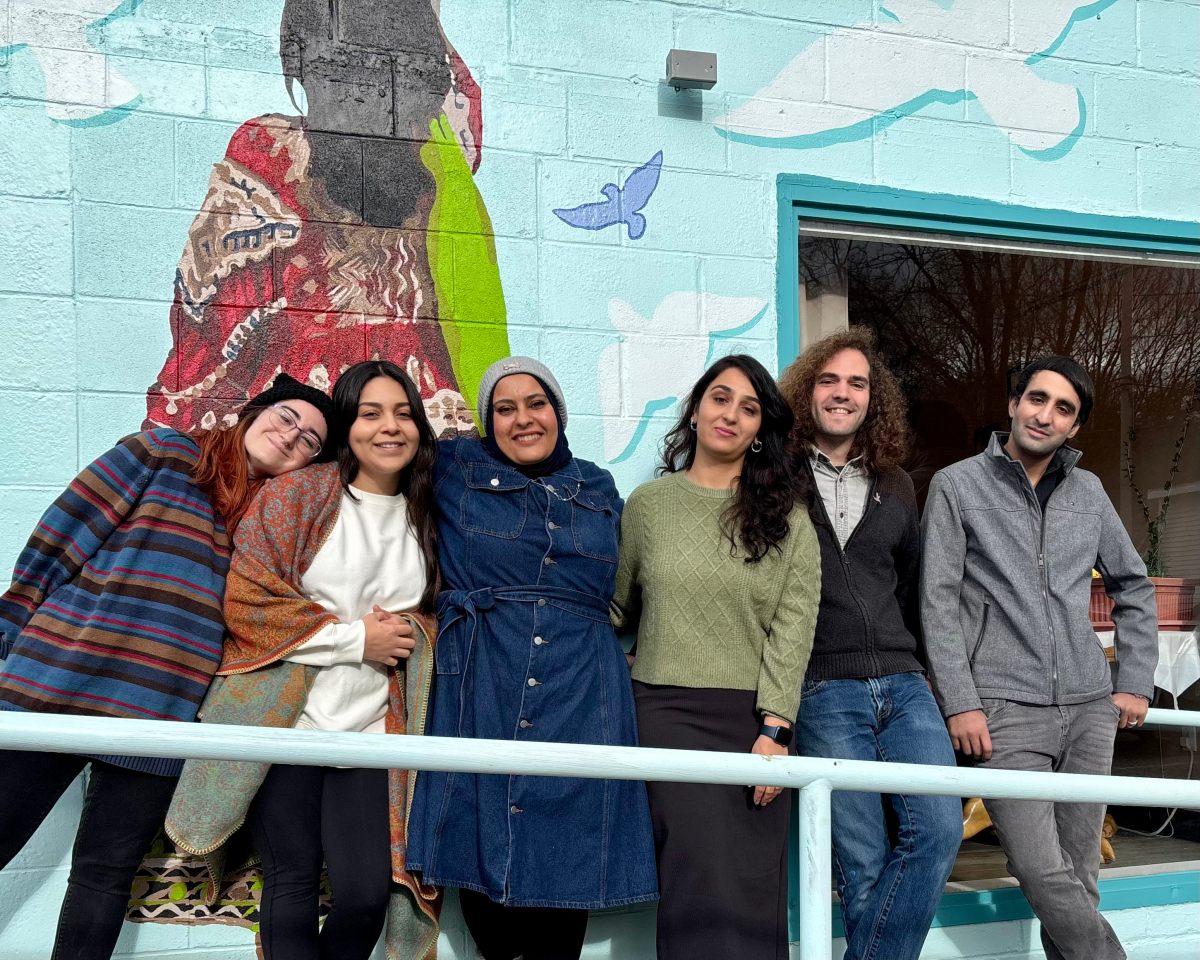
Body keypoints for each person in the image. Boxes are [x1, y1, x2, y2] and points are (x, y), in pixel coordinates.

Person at [0, 374, 332, 960]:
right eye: (286, 418)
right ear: (254, 411)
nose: (291, 438)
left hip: (161, 710)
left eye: (309, 440)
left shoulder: (273, 524)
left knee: (103, 877)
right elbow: (57, 541)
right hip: (57, 680)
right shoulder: (161, 452)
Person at [162, 360, 443, 960]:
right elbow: (247, 599)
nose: (388, 428)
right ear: (348, 427)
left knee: (367, 893)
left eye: (402, 413)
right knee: (290, 881)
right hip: (285, 720)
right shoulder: (300, 494)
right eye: (370, 414)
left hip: (373, 730)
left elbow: (439, 616)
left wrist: (412, 633)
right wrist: (354, 640)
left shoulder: (429, 513)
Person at [144, 0, 509, 438]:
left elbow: (475, 354)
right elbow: (205, 329)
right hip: (294, 435)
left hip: (418, 443)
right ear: (304, 73)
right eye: (334, 66)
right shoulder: (269, 154)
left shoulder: (446, 191)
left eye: (386, 72)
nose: (359, 92)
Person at [406, 356, 657, 960]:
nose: (523, 419)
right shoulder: (453, 468)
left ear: (558, 411)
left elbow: (637, 584)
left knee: (567, 855)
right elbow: (372, 456)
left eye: (536, 403)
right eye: (504, 408)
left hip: (581, 684)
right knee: (482, 832)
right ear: (487, 422)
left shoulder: (598, 488)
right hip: (482, 676)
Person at [921, 356, 1157, 960]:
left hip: (1087, 707)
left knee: (1079, 873)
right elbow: (937, 602)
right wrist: (962, 701)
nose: (1044, 415)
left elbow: (1133, 584)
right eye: (1036, 399)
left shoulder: (1089, 491)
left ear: (1075, 428)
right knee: (1042, 871)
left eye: (1063, 409)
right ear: (1012, 404)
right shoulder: (957, 486)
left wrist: (1134, 682)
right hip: (1002, 710)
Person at [611, 354, 821, 960]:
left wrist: (775, 729)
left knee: (754, 888)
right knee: (694, 881)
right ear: (696, 408)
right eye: (721, 398)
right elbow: (618, 608)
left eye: (749, 408)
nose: (731, 414)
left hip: (754, 725)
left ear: (761, 432)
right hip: (666, 715)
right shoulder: (649, 505)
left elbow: (793, 627)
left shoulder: (788, 519)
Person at [777, 329, 961, 960]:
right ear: (807, 391)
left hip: (906, 686)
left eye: (857, 383)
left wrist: (934, 675)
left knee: (937, 830)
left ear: (872, 400)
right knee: (861, 862)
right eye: (829, 380)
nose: (842, 393)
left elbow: (913, 587)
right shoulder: (774, 474)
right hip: (824, 686)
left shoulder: (898, 485)